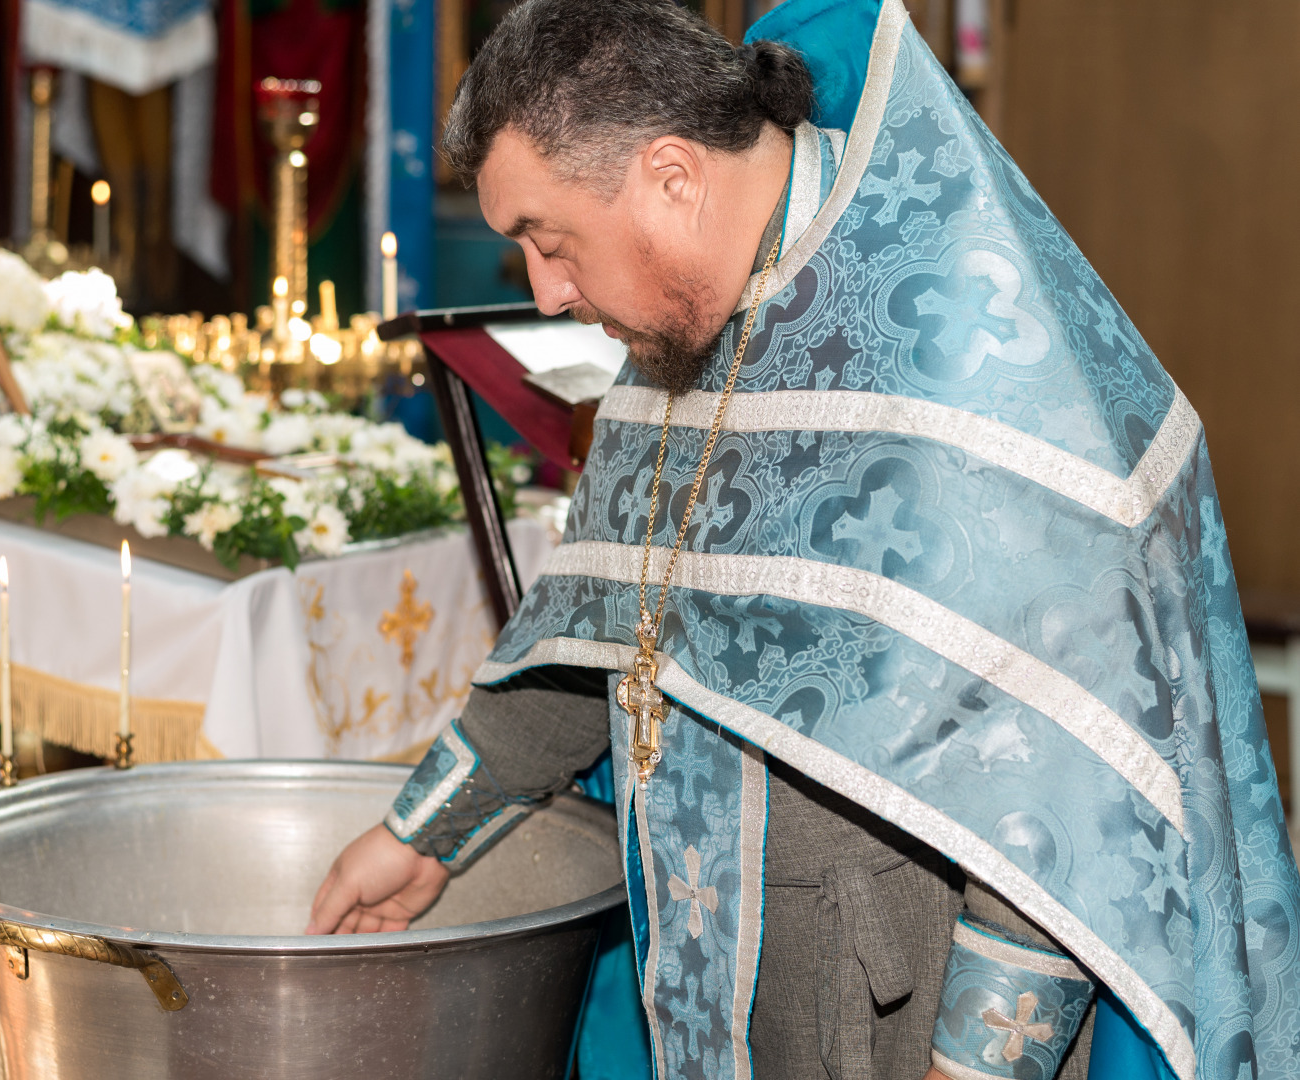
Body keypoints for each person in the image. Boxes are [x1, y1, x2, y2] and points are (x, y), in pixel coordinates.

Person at [308, 1, 1300, 1078]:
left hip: (886, 1015)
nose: (546, 291)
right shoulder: (678, 333)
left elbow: (1052, 789)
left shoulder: (956, 357)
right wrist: (422, 832)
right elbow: (605, 624)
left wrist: (972, 1063)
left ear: (672, 176)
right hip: (706, 964)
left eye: (550, 241)